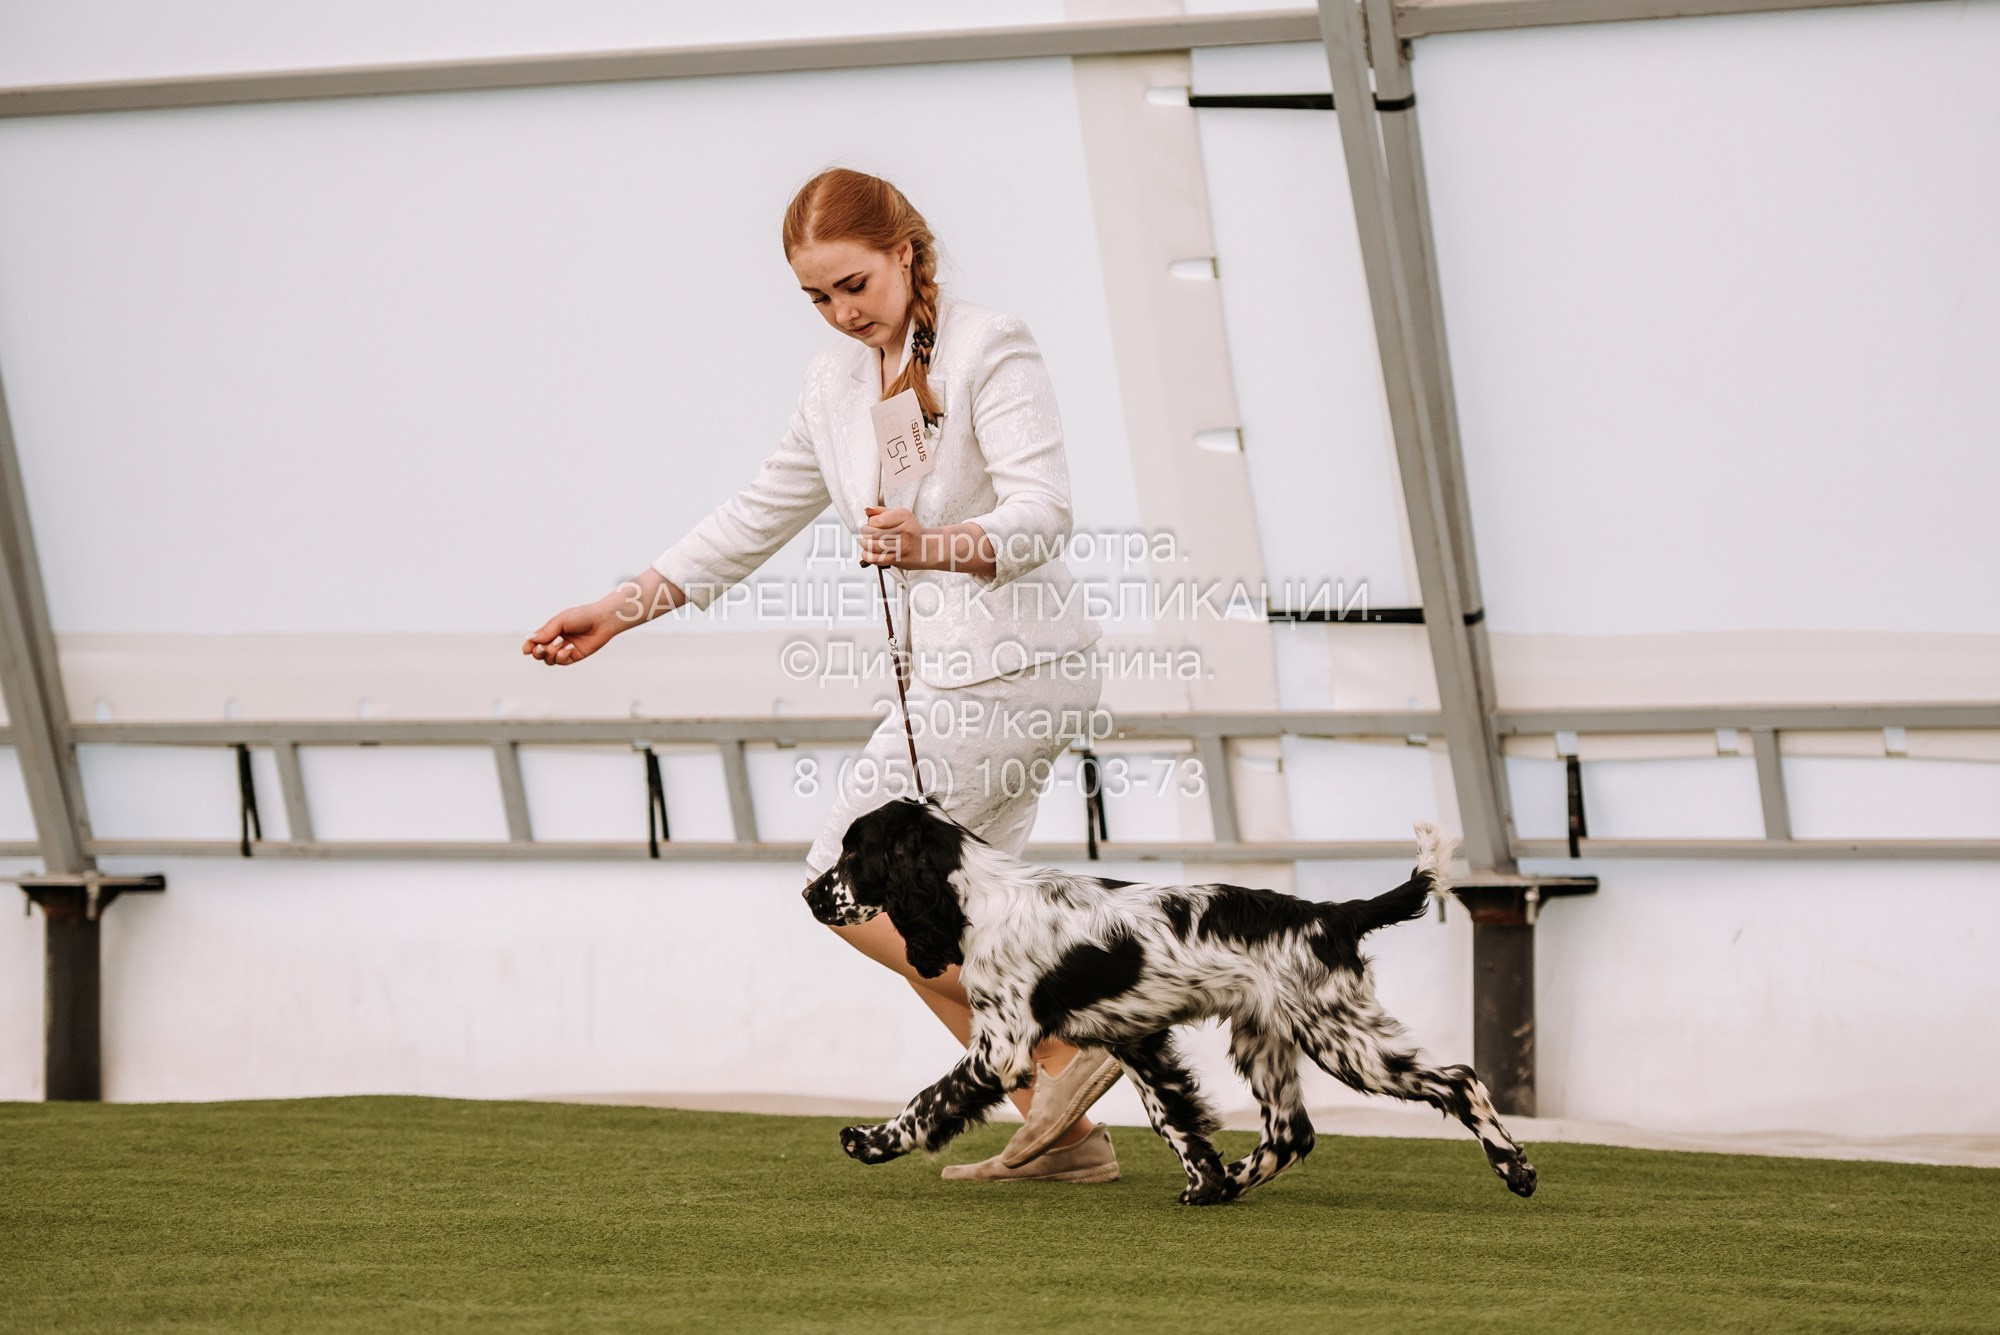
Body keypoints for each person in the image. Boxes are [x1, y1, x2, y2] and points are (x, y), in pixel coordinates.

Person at [522, 167, 1123, 1183]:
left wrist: (932, 544)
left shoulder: (990, 344)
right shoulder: (832, 383)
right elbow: (756, 514)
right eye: (817, 298)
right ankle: (1061, 1134)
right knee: (955, 916)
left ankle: (1063, 1055)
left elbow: (1043, 513)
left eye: (854, 285)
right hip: (955, 691)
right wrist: (620, 611)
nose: (842, 314)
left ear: (904, 252)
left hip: (1007, 675)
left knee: (838, 879)